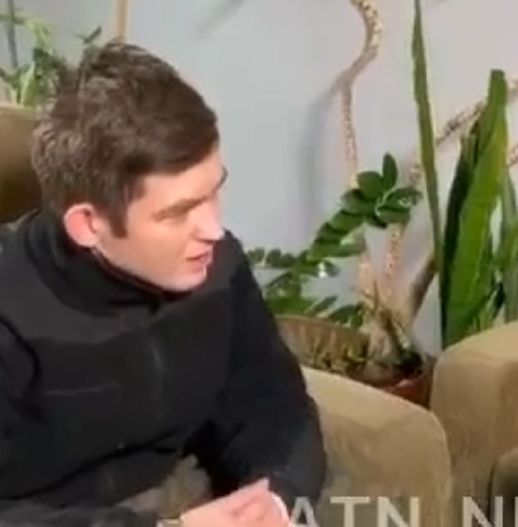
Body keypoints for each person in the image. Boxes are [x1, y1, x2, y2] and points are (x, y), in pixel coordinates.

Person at [0, 42, 327, 526]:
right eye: (178, 213)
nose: (213, 229)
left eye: (213, 193)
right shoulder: (11, 316)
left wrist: (276, 493)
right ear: (89, 224)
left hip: (180, 487)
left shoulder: (217, 266)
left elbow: (271, 401)